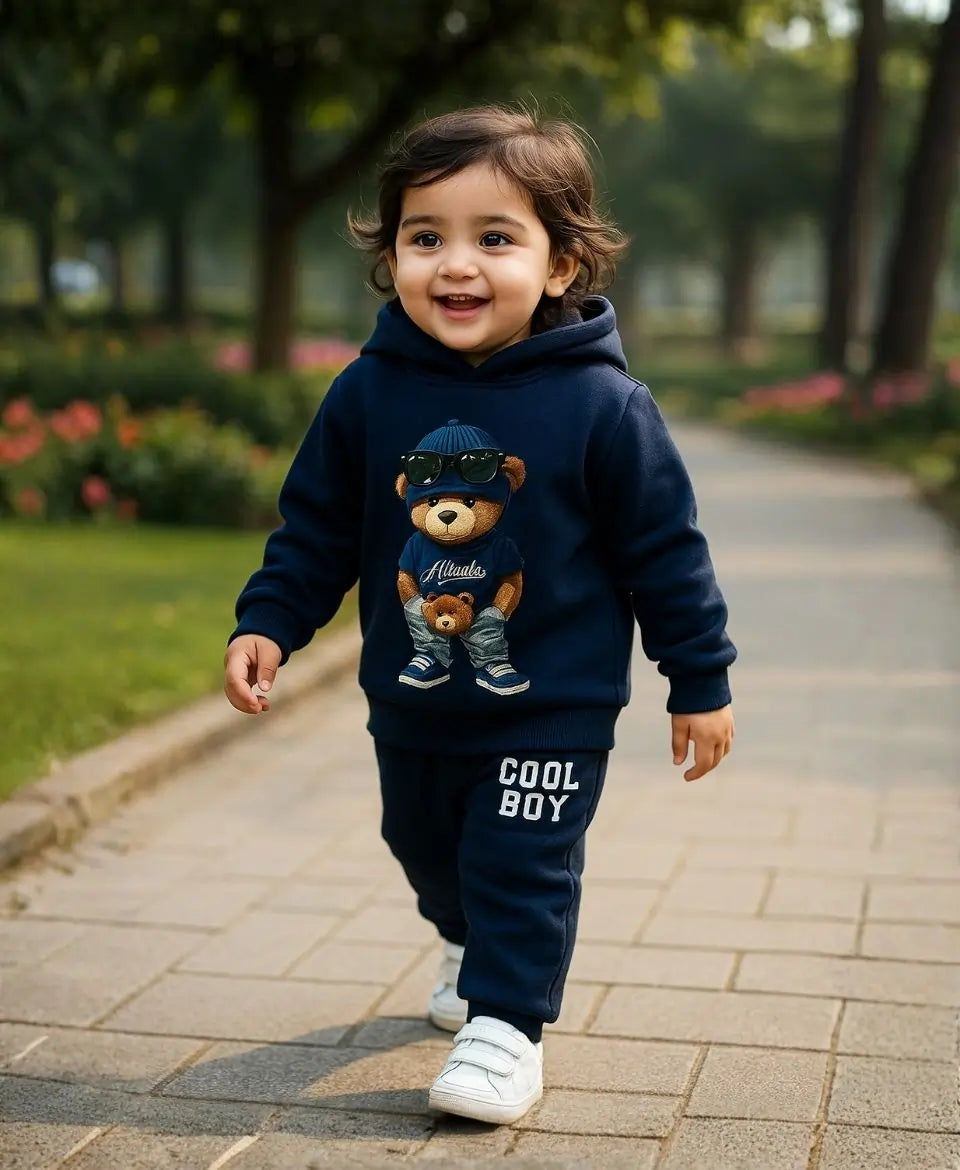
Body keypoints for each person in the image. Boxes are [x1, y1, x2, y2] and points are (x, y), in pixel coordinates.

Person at [224, 105, 736, 1126]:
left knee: (520, 858)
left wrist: (701, 679)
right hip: (414, 696)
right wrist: (269, 622)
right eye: (427, 238)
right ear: (393, 257)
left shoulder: (603, 406)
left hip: (555, 701)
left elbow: (665, 553)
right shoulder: (368, 395)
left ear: (559, 265)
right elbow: (317, 529)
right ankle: (466, 936)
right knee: (424, 845)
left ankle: (505, 1029)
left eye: (494, 237)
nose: (456, 265)